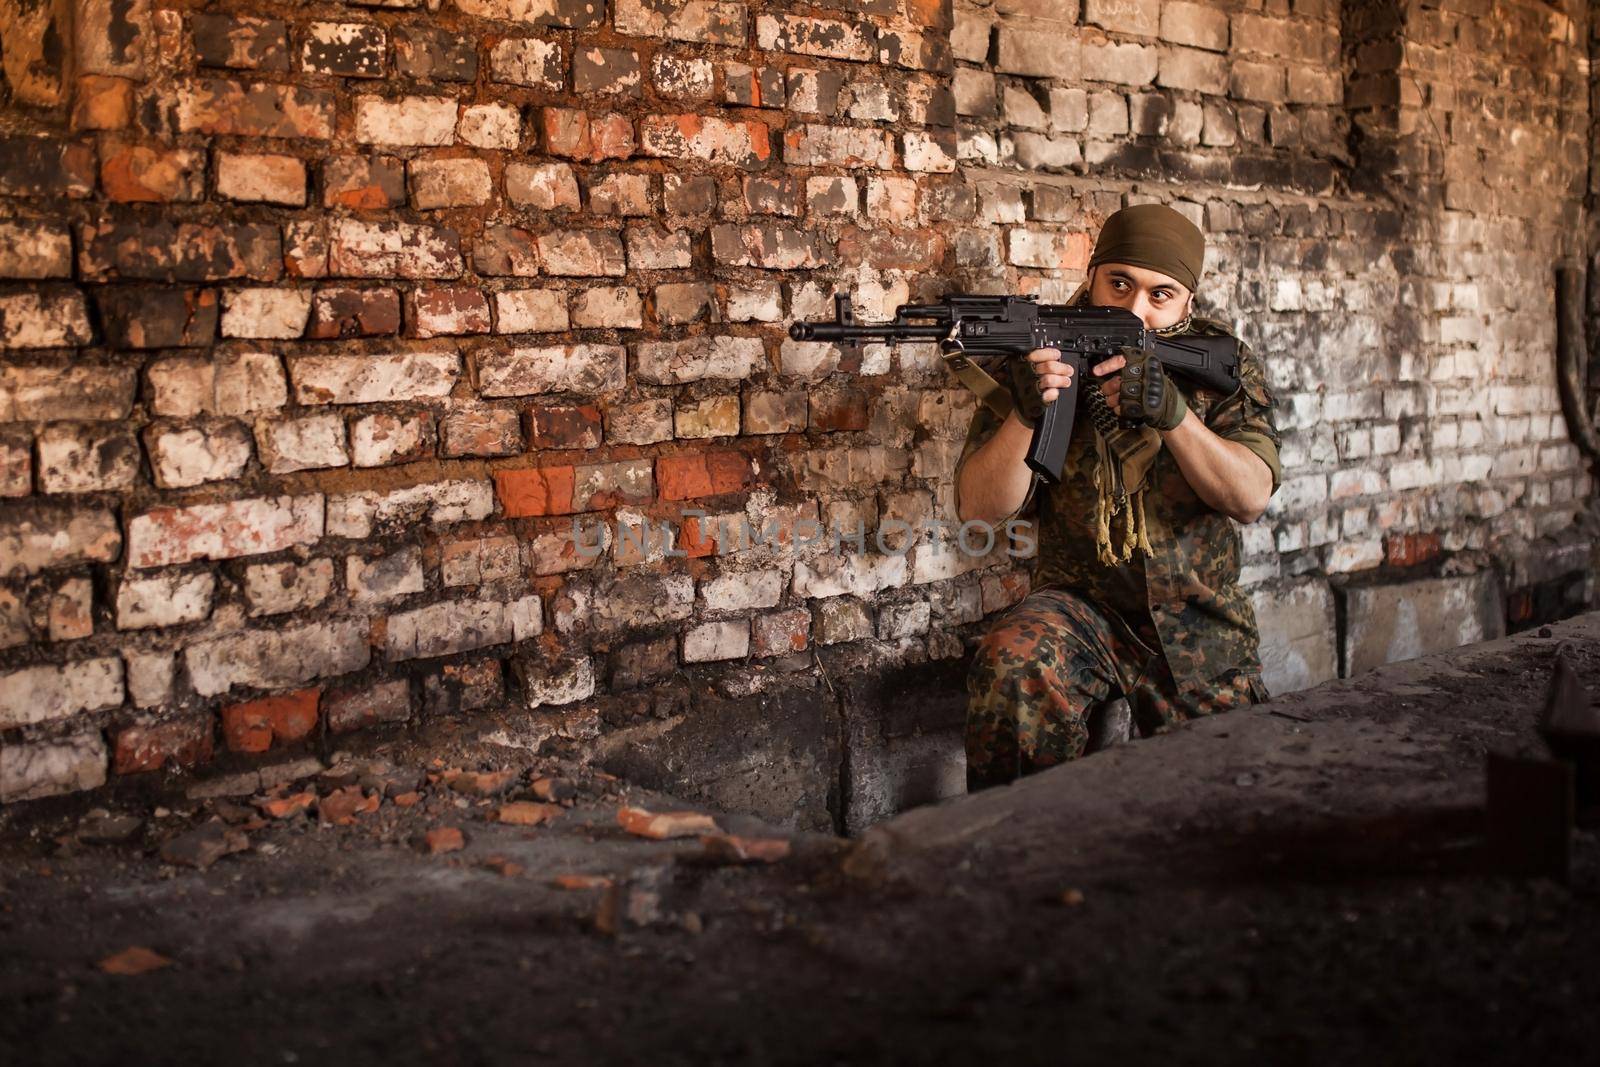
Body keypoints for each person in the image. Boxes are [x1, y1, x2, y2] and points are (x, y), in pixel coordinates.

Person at [955, 203, 1282, 792]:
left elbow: (1251, 497)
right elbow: (979, 507)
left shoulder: (1220, 363)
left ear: (1188, 304)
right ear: (1092, 273)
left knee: (1228, 797)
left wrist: (1175, 416)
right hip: (1080, 608)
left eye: (1161, 295)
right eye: (1120, 283)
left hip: (1198, 617)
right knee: (1010, 662)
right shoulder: (1043, 348)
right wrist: (1027, 414)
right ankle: (1019, 847)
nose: (1134, 308)